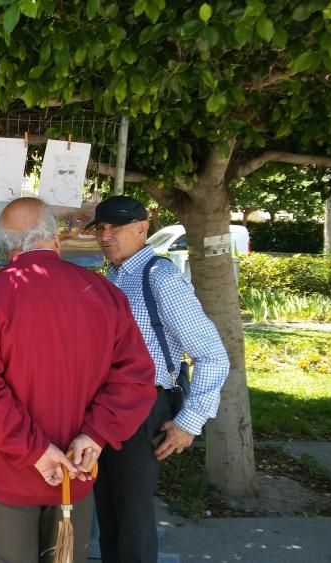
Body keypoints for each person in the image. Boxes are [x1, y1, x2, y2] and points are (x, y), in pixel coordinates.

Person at [0, 197, 156, 563]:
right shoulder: (104, 294)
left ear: (7, 246)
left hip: (10, 469)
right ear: (55, 237)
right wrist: (95, 433)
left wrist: (34, 450)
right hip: (76, 464)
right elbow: (135, 378)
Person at [88, 195, 230, 563]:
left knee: (133, 518)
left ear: (141, 229)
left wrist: (188, 423)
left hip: (145, 407)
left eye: (114, 227)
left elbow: (212, 354)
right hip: (108, 407)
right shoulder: (116, 274)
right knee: (109, 511)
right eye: (101, 228)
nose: (105, 235)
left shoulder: (160, 277)